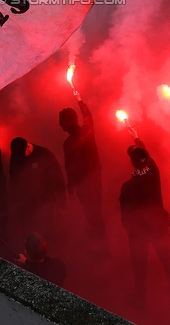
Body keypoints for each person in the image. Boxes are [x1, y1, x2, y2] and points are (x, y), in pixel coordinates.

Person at [119, 129, 170, 304]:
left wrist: (131, 232)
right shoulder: (153, 170)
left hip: (139, 233)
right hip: (158, 224)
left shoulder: (127, 187)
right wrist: (136, 137)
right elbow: (147, 156)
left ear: (132, 163)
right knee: (168, 260)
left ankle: (140, 298)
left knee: (139, 266)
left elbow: (125, 215)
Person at [58, 90, 108, 251]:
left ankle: (102, 248)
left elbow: (70, 167)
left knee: (92, 215)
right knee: (96, 214)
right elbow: (88, 115)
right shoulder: (87, 129)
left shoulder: (69, 144)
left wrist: (71, 187)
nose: (60, 125)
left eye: (61, 122)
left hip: (84, 185)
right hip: (96, 177)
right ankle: (101, 242)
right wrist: (80, 101)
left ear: (67, 124)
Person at [9, 137, 66, 246]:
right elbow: (13, 180)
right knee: (31, 232)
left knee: (49, 231)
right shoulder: (16, 156)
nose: (20, 159)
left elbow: (59, 180)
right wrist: (15, 204)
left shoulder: (44, 154)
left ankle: (52, 253)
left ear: (27, 147)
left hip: (46, 202)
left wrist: (62, 206)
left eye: (23, 155)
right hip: (27, 204)